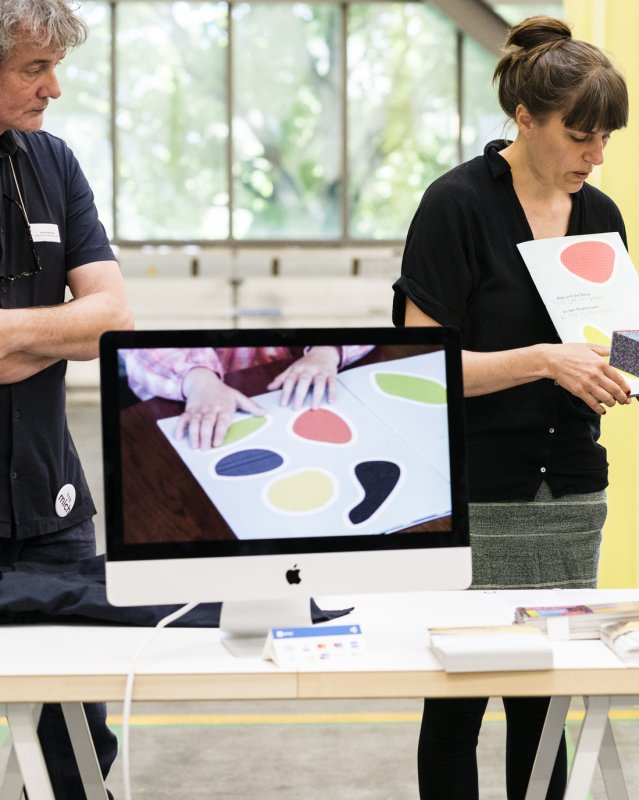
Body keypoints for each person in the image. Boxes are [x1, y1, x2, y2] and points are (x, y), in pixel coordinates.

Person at [393, 15, 639, 800]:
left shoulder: (600, 216)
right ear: (524, 120)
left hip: (571, 492)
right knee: (456, 703)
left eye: (606, 137)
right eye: (581, 136)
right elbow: (419, 374)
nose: (596, 155)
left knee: (546, 704)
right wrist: (545, 360)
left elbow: (622, 346)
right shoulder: (457, 207)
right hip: (477, 491)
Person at [0, 0, 134, 797]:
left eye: (56, 68)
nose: (53, 88)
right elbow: (78, 323)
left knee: (78, 740)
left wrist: (12, 333)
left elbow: (111, 321)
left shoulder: (53, 163)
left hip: (54, 515)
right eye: (32, 68)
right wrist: (54, 328)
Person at [123, 345, 373, 449]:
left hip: (288, 396)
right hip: (190, 400)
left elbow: (369, 320)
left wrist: (326, 351)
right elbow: (137, 350)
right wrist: (199, 380)